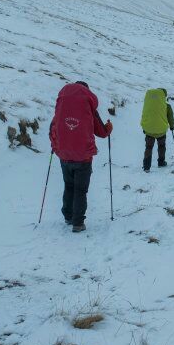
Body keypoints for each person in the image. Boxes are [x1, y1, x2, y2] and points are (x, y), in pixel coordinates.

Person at [49, 81, 112, 232]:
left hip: (64, 155)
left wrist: (55, 146)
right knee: (80, 190)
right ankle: (78, 223)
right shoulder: (88, 107)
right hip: (83, 157)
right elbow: (102, 132)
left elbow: (53, 128)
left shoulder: (61, 108)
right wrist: (109, 127)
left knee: (69, 186)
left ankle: (68, 216)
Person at [140, 88, 174, 171]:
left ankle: (146, 166)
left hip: (149, 131)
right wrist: (172, 126)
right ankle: (161, 162)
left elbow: (144, 115)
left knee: (148, 147)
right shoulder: (167, 106)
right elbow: (170, 117)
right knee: (161, 146)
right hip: (161, 131)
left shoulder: (147, 105)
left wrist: (144, 127)